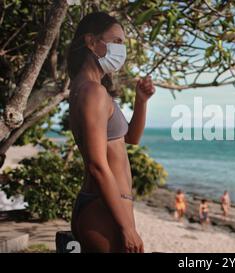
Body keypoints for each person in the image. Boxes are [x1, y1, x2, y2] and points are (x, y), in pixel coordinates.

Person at [67, 12, 155, 252]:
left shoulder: (89, 88)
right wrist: (127, 227)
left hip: (103, 207)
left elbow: (131, 140)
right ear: (92, 42)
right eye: (117, 41)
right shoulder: (92, 92)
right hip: (103, 212)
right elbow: (97, 165)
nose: (122, 49)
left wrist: (141, 101)